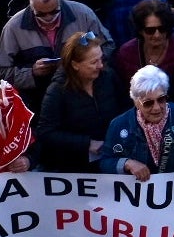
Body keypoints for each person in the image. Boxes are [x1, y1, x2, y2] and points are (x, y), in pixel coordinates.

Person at [33, 29, 122, 173]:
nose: (100, 65)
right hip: (73, 168)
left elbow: (125, 108)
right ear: (75, 65)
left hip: (110, 158)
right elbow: (45, 132)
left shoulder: (109, 77)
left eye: (101, 59)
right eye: (94, 62)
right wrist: (86, 143)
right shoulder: (57, 91)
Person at [97, 64, 174, 180]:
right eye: (148, 103)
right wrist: (127, 163)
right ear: (136, 102)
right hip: (139, 195)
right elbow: (105, 163)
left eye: (161, 99)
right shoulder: (119, 125)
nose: (156, 107)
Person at [113, 0, 174, 93]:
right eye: (150, 31)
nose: (157, 35)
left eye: (162, 29)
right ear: (140, 30)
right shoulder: (127, 53)